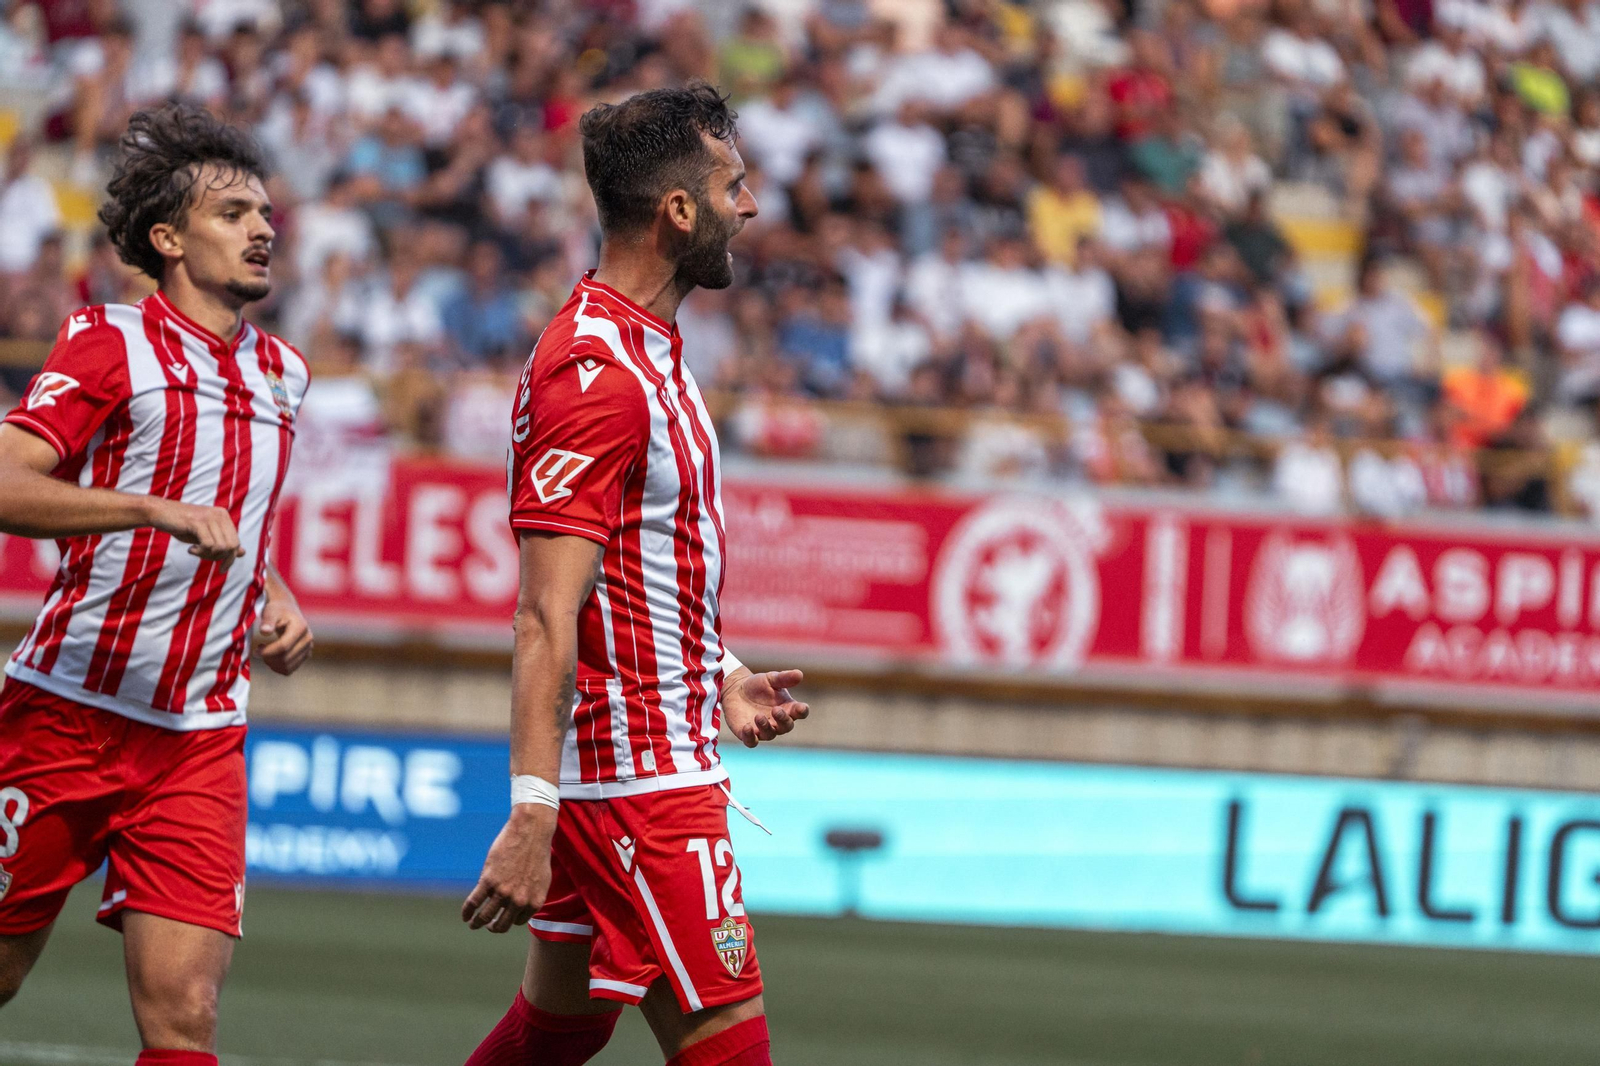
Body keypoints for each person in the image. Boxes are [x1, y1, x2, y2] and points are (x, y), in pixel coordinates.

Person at [461, 83, 808, 1066]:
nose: (749, 206)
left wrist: (721, 669)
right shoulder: (597, 371)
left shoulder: (647, 352)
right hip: (638, 788)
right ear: (678, 210)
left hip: (628, 766)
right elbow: (543, 612)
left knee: (558, 1030)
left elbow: (639, 571)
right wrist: (532, 807)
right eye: (732, 185)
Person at [0, 104, 313, 1065]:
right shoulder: (108, 342)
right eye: (231, 214)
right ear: (168, 239)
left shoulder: (285, 374)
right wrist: (146, 508)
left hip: (197, 742)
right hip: (62, 716)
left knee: (184, 1018)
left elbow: (235, 521)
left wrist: (275, 595)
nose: (261, 228)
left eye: (265, 212)